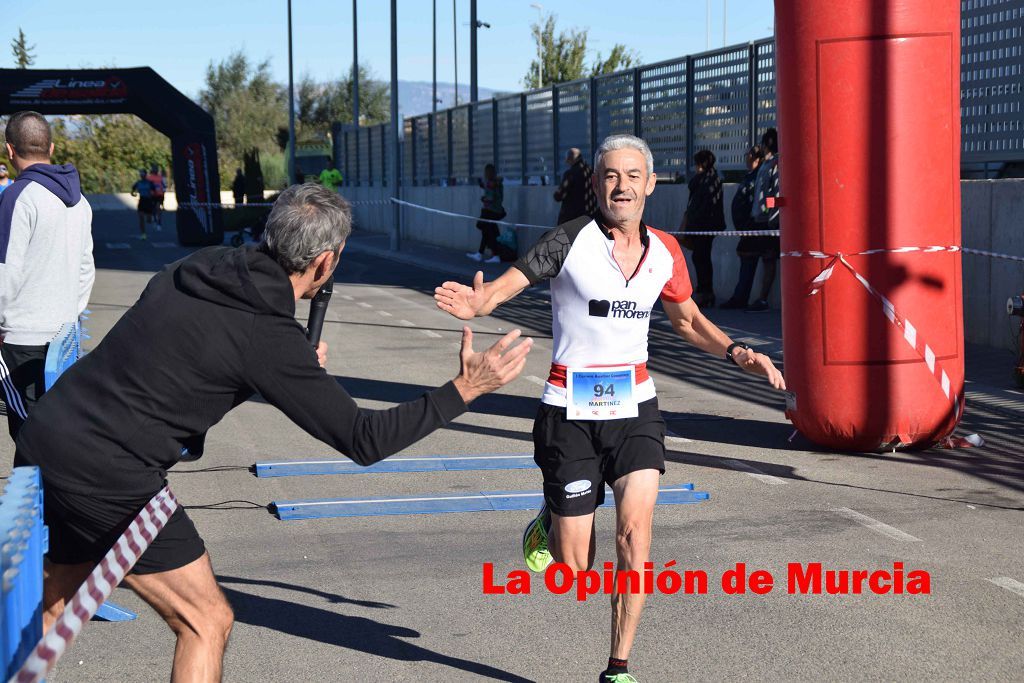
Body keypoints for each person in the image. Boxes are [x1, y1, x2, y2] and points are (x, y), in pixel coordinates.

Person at [14, 182, 532, 682]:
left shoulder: (202, 264)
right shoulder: (269, 334)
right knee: (205, 620)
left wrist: (272, 371)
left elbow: (181, 356)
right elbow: (365, 439)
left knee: (58, 596)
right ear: (326, 261)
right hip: (109, 475)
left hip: (49, 433)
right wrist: (464, 389)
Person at [435, 134, 784, 683]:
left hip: (634, 407)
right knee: (576, 568)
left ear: (649, 184)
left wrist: (739, 353)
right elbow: (511, 282)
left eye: (631, 175)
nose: (621, 186)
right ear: (596, 185)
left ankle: (618, 667)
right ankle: (551, 518)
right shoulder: (568, 240)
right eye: (609, 176)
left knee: (635, 537)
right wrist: (479, 302)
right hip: (568, 408)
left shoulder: (665, 252)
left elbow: (688, 320)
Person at [0, 110, 95, 440]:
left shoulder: (16, 197)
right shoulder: (80, 201)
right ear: (51, 148)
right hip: (63, 336)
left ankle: (43, 491)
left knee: (31, 435)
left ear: (9, 150)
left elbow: (5, 272)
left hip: (20, 337)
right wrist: (68, 312)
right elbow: (86, 269)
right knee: (52, 428)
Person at [720, 145, 767, 309]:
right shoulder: (751, 176)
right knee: (746, 260)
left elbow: (756, 203)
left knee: (749, 260)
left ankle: (741, 298)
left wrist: (748, 224)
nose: (747, 158)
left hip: (753, 227)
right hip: (746, 227)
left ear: (757, 158)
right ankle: (739, 296)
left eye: (750, 155)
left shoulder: (759, 177)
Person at [677, 149, 725, 308]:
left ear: (702, 164)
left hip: (705, 226)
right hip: (701, 225)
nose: (695, 167)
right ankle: (705, 291)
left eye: (697, 163)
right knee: (700, 258)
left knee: (701, 258)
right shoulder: (704, 180)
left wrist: (693, 221)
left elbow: (703, 206)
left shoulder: (709, 181)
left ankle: (705, 292)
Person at [746, 128, 781, 312]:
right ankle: (759, 297)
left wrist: (771, 215)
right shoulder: (766, 164)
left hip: (768, 221)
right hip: (759, 219)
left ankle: (763, 299)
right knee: (763, 260)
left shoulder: (776, 164)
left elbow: (776, 194)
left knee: (769, 260)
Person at [467, 163, 505, 264]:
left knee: (485, 228)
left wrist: (483, 198)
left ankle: (494, 255)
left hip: (491, 211)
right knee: (487, 231)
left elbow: (490, 197)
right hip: (496, 210)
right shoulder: (496, 182)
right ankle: (481, 253)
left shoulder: (491, 183)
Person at [553, 147, 597, 225]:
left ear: (570, 159)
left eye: (567, 159)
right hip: (590, 217)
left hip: (572, 218)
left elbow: (559, 195)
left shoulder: (571, 173)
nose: (566, 162)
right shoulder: (590, 171)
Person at [130, 168, 153, 240]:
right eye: (141, 174)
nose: (142, 175)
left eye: (143, 174)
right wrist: (133, 194)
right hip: (142, 200)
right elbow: (132, 190)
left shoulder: (150, 183)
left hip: (148, 201)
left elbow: (154, 190)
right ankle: (143, 234)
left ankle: (150, 217)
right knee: (141, 217)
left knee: (148, 219)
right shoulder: (138, 183)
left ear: (146, 175)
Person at [146, 164, 166, 229]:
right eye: (154, 169)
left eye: (156, 169)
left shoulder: (160, 177)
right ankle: (154, 219)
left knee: (158, 208)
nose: (155, 170)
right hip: (152, 195)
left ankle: (159, 222)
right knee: (153, 208)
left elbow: (163, 185)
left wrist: (163, 191)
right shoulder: (149, 177)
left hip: (159, 194)